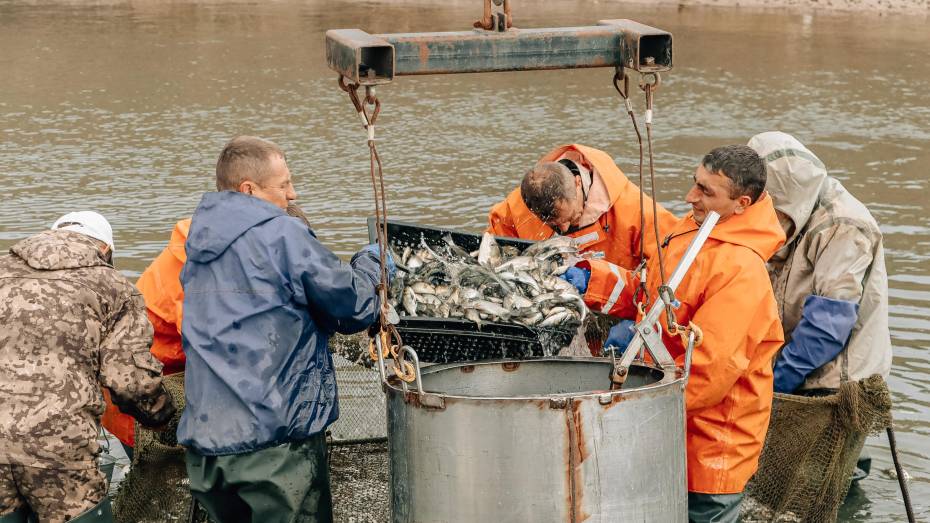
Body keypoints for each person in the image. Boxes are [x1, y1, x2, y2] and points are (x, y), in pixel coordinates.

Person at [561, 145, 786, 522]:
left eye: (706, 192)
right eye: (695, 184)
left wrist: (625, 408)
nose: (689, 197)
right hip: (667, 426)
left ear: (742, 203)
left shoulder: (742, 271)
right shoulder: (692, 231)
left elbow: (709, 371)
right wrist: (591, 280)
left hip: (711, 450)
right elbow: (649, 295)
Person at [178, 136, 388, 523]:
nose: (292, 194)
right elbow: (355, 306)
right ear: (249, 190)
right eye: (284, 185)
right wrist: (373, 262)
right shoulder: (281, 233)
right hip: (274, 445)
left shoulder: (200, 241)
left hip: (207, 448)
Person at [0, 212, 176, 522]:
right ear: (106, 250)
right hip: (59, 448)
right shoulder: (114, 286)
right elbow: (130, 383)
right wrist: (163, 420)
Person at [101, 204, 312, 459]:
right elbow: (219, 350)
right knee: (167, 482)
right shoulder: (198, 269)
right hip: (142, 403)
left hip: (178, 381)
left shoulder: (229, 250)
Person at [748, 131, 892, 479]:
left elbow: (828, 328)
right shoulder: (794, 212)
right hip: (798, 360)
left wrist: (773, 382)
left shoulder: (842, 225)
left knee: (814, 477)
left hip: (836, 377)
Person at [488, 143, 677, 271]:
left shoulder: (637, 210)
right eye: (551, 224)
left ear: (578, 183)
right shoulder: (515, 209)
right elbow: (493, 256)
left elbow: (674, 260)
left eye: (569, 218)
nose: (563, 229)